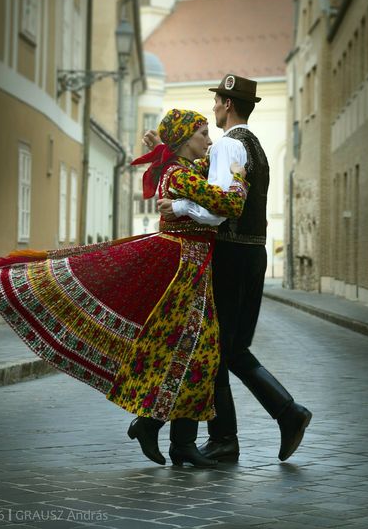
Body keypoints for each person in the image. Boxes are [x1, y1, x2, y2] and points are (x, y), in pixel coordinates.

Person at [0, 108, 248, 468]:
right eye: (203, 134)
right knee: (193, 351)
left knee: (195, 352)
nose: (210, 140)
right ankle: (165, 433)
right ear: (186, 139)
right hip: (180, 270)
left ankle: (170, 435)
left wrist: (163, 147)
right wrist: (239, 178)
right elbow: (228, 201)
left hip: (194, 267)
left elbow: (203, 175)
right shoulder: (178, 175)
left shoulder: (183, 170)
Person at [154, 75, 312, 463]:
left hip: (229, 256)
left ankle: (227, 436)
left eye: (217, 102)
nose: (213, 109)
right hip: (255, 255)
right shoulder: (256, 147)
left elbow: (220, 207)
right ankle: (286, 414)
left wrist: (179, 208)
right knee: (234, 348)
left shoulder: (227, 145)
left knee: (216, 350)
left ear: (227, 105)